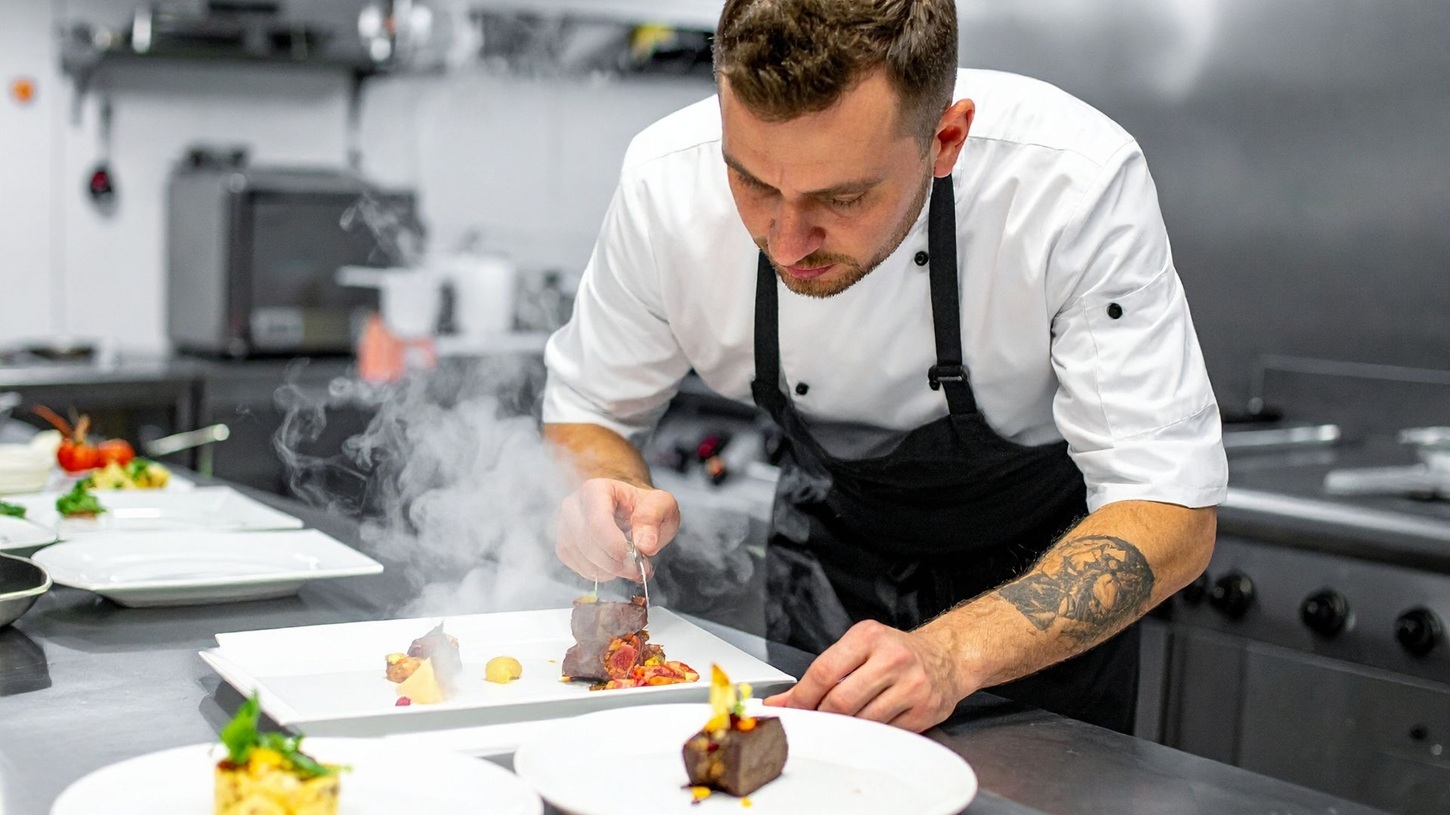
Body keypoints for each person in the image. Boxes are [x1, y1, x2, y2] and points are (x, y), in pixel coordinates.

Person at [543, 0, 1225, 734]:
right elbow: (592, 408)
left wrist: (953, 652)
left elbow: (1170, 508)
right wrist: (601, 491)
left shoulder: (1072, 185)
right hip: (829, 559)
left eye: (841, 196)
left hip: (1038, 602)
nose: (788, 240)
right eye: (753, 184)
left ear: (946, 138)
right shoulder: (662, 186)